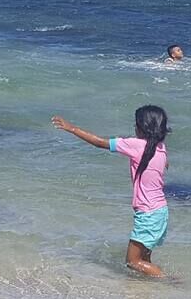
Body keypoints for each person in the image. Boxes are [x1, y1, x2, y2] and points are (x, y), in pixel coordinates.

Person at [52, 106, 170, 277]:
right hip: (160, 212)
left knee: (132, 261)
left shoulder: (136, 145)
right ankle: (145, 293)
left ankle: (169, 281)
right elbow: (163, 163)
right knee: (144, 258)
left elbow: (100, 142)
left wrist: (72, 129)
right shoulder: (160, 147)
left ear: (142, 128)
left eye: (136, 124)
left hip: (148, 213)